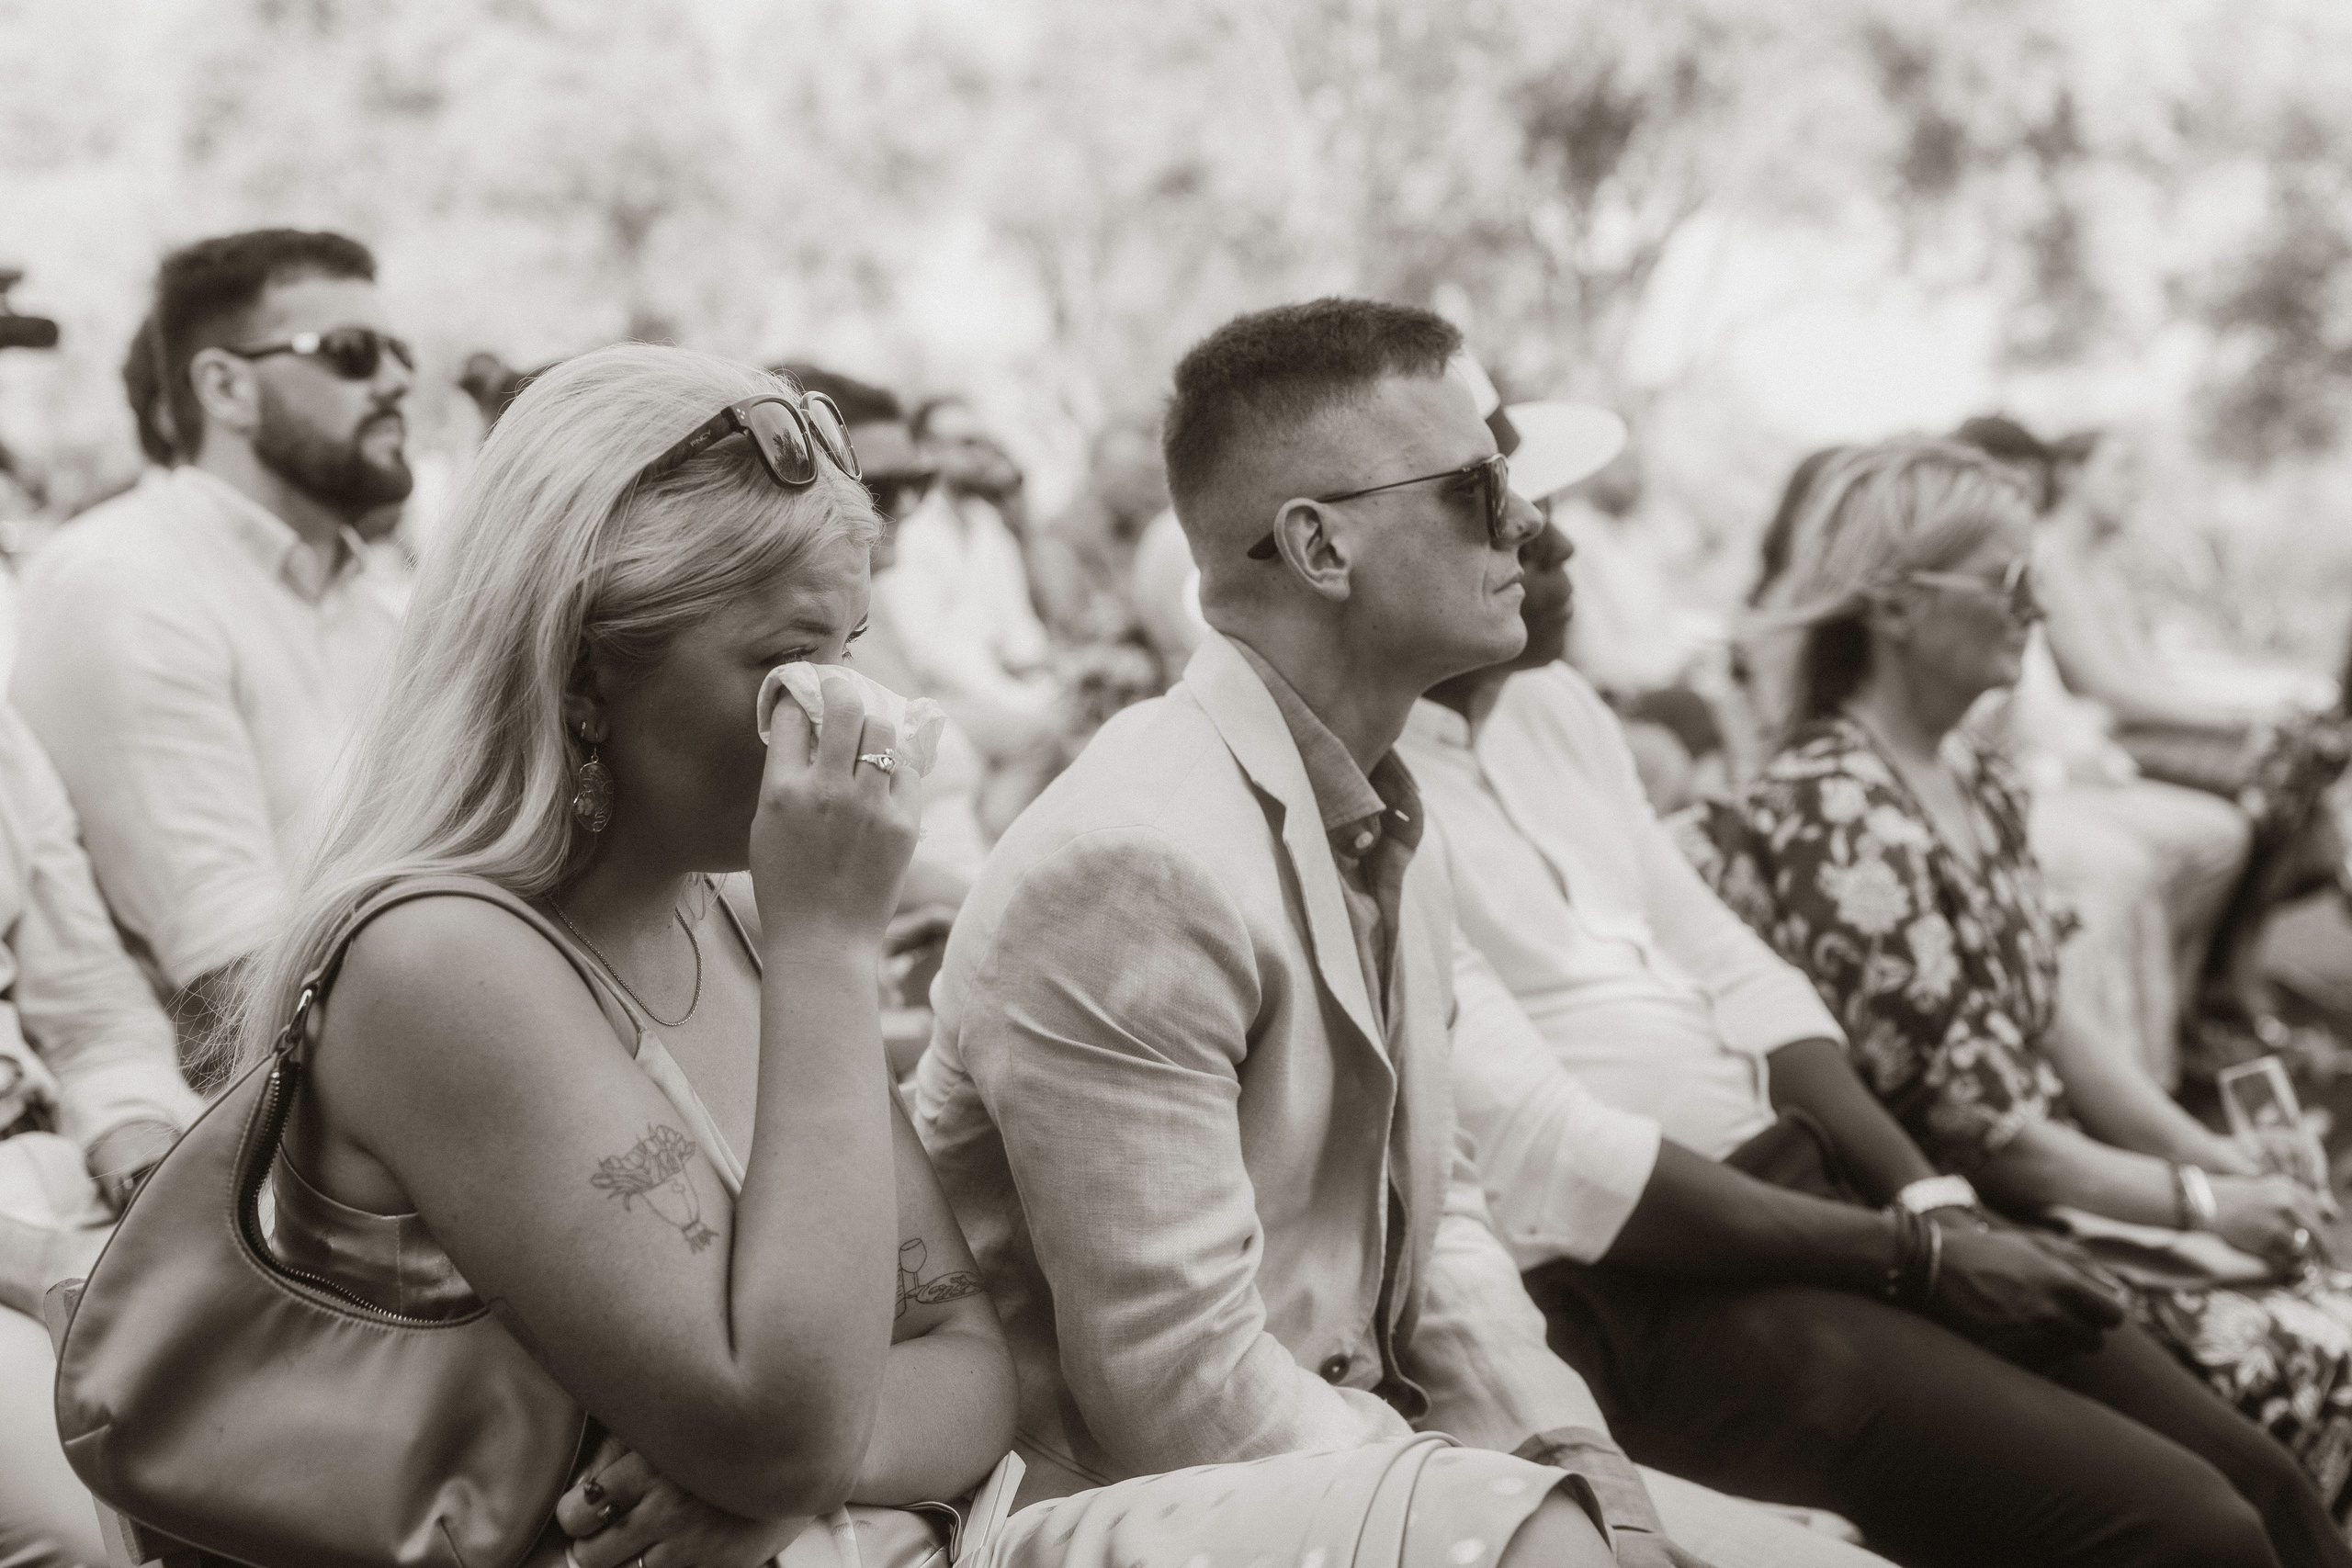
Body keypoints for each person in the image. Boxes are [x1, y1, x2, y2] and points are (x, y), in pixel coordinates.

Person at [215, 342, 1611, 1568]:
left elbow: (964, 1365)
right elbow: (779, 1417)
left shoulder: (725, 918)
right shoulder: (440, 958)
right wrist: (830, 936)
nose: (861, 712)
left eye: (854, 647)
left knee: (1540, 1523)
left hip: (899, 1532)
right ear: (581, 669)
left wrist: (802, 1463)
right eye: (788, 664)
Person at [914, 298, 1893, 1567]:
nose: (1531, 519)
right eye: (1480, 484)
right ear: (1320, 546)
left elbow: (1458, 1240)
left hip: (1375, 1454)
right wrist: (1532, 1515)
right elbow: (1176, 1386)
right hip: (1119, 1502)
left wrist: (1589, 1478)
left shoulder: (1378, 803)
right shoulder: (1132, 863)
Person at [1411, 506, 2340, 1567]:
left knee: (2259, 1479)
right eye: (1493, 504)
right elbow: (1562, 1158)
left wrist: (1933, 1210)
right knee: (2191, 1524)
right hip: (1658, 1276)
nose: (1549, 533)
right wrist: (1928, 1248)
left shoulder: (1555, 710)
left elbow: (1740, 972)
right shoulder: (1823, 808)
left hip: (1826, 1187)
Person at [1679, 439, 2352, 1542]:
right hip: (1962, 1246)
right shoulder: (1831, 813)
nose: (2035, 611)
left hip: (2043, 1206)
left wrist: (2221, 1161)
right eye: (2007, 582)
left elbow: (2052, 1020)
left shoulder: (1971, 774)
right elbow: (1980, 1137)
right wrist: (2202, 1205)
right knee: (2281, 1425)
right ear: (1894, 605)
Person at [13, 229, 412, 1063]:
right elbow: (236, 991)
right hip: (286, 1143)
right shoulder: (124, 582)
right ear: (226, 387)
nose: (398, 379)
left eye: (398, 352)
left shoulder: (373, 610)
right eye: (351, 352)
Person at [1950, 415, 2253, 1090]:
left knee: (2222, 829)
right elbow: (2075, 698)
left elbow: (2049, 702)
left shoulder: (2058, 573)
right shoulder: (2020, 570)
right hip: (2051, 772)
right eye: (2120, 468)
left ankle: (2174, 1045)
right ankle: (2130, 1083)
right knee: (2125, 867)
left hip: (2065, 763)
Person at [0, 704, 204, 1568]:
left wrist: (139, 1154)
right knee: (92, 1528)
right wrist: (41, 1259)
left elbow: (84, 997)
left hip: (48, 1139)